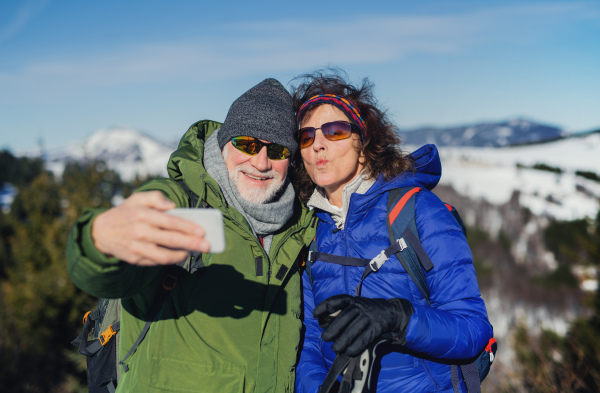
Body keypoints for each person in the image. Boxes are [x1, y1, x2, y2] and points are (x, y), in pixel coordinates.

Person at [67, 78, 316, 393]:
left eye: (277, 150)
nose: (261, 162)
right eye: (247, 144)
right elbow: (111, 275)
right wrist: (99, 241)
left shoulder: (300, 229)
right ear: (224, 143)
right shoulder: (182, 203)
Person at [291, 70, 493, 393]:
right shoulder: (311, 231)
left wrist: (398, 318)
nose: (318, 145)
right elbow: (311, 340)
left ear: (363, 143)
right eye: (307, 136)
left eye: (335, 131)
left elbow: (472, 330)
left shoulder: (418, 212)